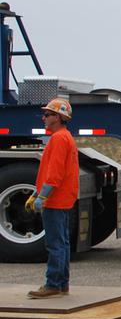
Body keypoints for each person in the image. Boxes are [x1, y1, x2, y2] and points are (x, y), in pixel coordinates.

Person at [25, 98, 79, 298]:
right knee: (62, 243)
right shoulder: (65, 137)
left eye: (48, 114)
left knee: (55, 243)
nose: (44, 118)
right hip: (62, 197)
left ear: (58, 117)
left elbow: (55, 173)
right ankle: (61, 283)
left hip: (55, 199)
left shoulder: (58, 139)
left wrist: (43, 196)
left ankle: (53, 284)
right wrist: (36, 193)